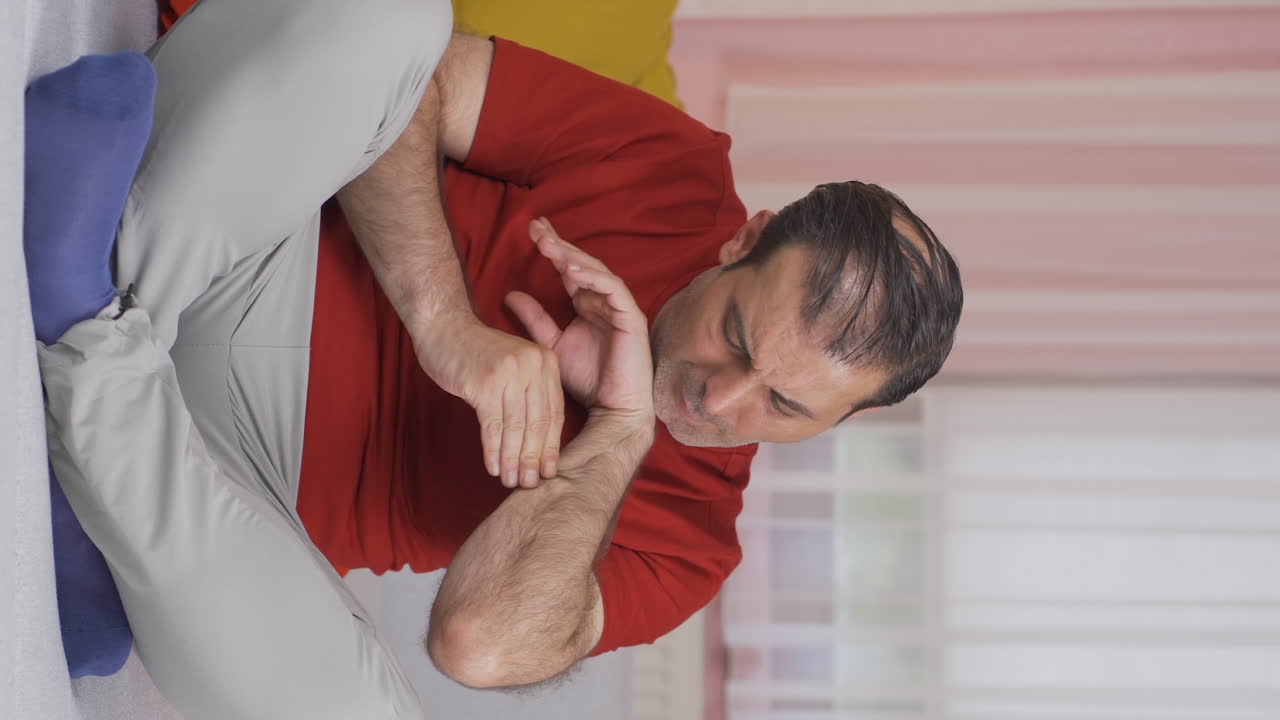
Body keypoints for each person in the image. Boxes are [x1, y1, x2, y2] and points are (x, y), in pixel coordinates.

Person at [30, 0, 961, 717]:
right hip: (250, 240)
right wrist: (445, 323)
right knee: (397, 15)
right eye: (739, 337)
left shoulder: (692, 549)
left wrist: (619, 435)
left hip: (236, 484)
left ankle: (84, 292)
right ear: (740, 243)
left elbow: (477, 646)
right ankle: (99, 444)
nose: (723, 399)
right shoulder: (676, 173)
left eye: (786, 408)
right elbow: (416, 83)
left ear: (838, 426)